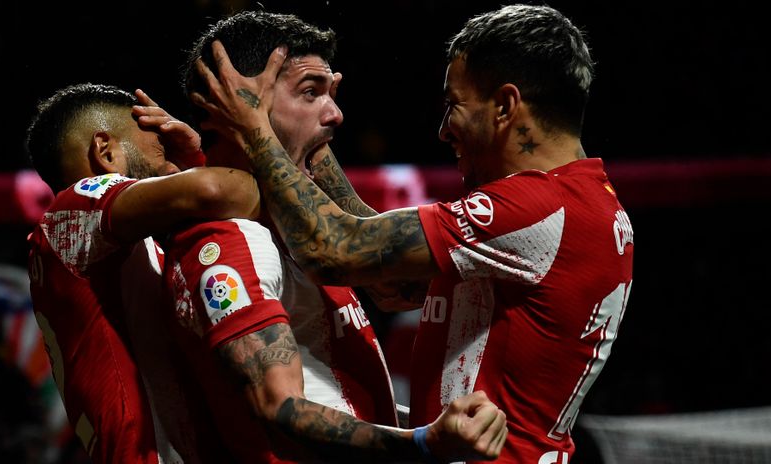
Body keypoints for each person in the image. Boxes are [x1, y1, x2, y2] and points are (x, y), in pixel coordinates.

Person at [190, 4, 634, 463]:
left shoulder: (536, 209)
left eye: (454, 105)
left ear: (505, 106)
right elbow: (390, 284)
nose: (443, 130)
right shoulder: (581, 202)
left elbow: (333, 250)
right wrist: (313, 141)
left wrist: (257, 125)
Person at [164, 10, 507, 463]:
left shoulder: (299, 235)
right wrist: (423, 442)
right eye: (310, 93)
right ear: (238, 106)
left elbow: (393, 288)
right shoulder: (230, 241)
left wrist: (431, 430)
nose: (337, 114)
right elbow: (279, 411)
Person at [25, 82, 261, 463]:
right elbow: (218, 192)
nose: (170, 162)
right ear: (106, 152)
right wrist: (198, 159)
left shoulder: (117, 246)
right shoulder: (74, 207)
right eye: (160, 147)